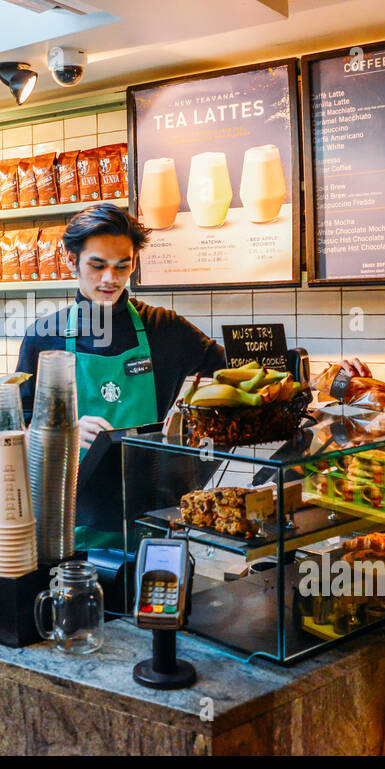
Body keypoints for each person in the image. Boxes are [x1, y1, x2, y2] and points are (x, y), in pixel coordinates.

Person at [15, 204, 225, 547]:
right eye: (97, 266)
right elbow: (18, 430)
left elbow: (238, 370)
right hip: (67, 520)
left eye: (122, 266)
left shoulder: (164, 329)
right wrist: (61, 432)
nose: (110, 279)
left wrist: (315, 373)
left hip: (153, 518)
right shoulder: (44, 336)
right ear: (72, 261)